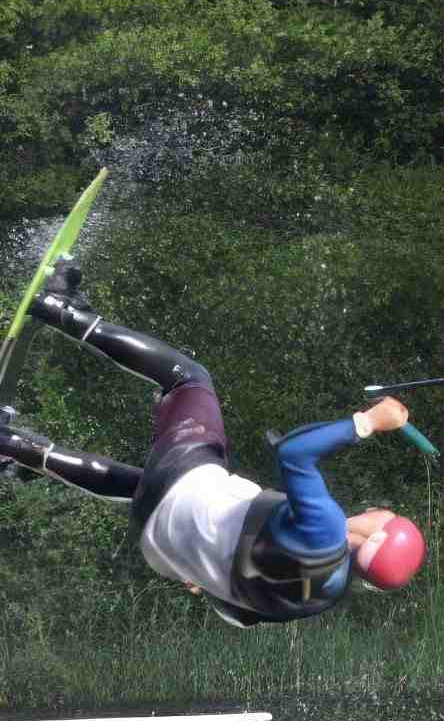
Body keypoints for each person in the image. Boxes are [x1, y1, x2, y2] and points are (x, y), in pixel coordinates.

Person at [0, 261, 421, 627]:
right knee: (139, 485)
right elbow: (240, 614)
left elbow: (295, 453)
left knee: (190, 378)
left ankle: (64, 311)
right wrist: (202, 572)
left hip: (182, 488)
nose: (378, 510)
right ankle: (14, 446)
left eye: (388, 517)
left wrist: (368, 421)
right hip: (158, 539)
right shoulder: (321, 596)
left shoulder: (326, 531)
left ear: (376, 536)